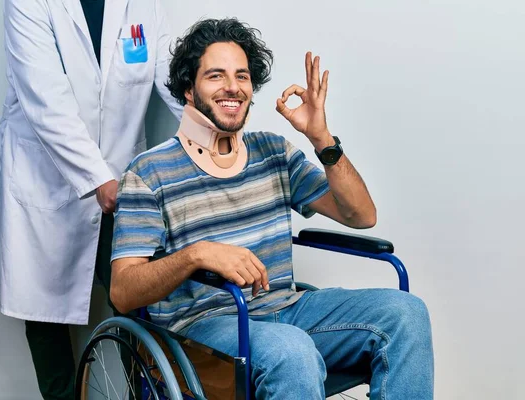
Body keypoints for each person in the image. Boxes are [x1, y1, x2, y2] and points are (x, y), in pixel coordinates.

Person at [109, 18, 434, 399]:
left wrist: (321, 138)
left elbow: (361, 215)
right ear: (188, 89)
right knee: (290, 351)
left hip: (289, 310)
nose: (233, 86)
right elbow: (123, 292)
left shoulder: (273, 152)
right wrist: (197, 255)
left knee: (406, 314)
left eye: (242, 76)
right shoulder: (148, 172)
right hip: (204, 330)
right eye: (216, 76)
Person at [0, 0, 182, 398]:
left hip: (122, 177)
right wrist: (98, 178)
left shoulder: (143, 6)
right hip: (45, 179)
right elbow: (47, 102)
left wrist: (222, 137)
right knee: (43, 311)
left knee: (137, 301)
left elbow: (176, 80)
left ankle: (140, 394)